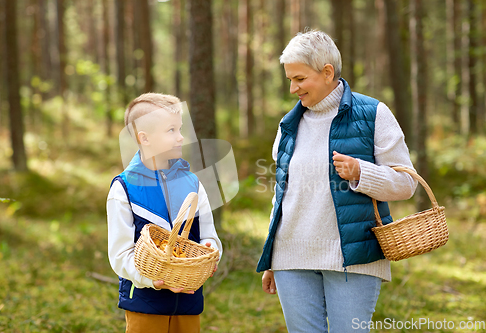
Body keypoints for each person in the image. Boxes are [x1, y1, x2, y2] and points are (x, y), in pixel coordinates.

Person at [257, 30, 418, 333]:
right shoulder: (288, 125)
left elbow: (406, 184)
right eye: (290, 79)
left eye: (300, 79)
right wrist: (272, 257)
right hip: (291, 258)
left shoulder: (374, 114)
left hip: (354, 259)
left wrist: (361, 172)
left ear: (327, 72)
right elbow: (282, 197)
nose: (293, 88)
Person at [107, 93, 222, 333]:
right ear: (144, 138)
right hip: (145, 302)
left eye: (180, 129)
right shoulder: (124, 188)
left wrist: (211, 251)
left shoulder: (193, 183)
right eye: (171, 130)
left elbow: (209, 236)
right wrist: (153, 280)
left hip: (188, 300)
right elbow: (120, 255)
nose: (181, 137)